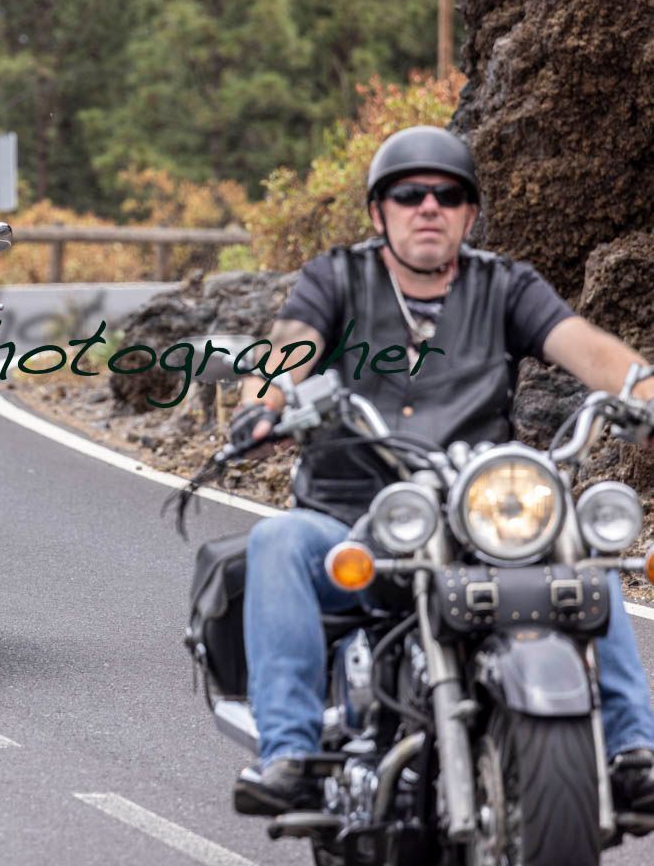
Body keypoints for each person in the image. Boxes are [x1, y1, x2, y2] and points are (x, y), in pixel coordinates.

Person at [227, 125, 654, 817]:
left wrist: (646, 392)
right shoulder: (336, 278)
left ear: (469, 213)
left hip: (476, 518)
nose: (428, 206)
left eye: (447, 194)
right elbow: (289, 350)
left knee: (581, 551)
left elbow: (592, 352)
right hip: (351, 517)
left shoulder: (506, 285)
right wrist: (261, 407)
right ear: (379, 212)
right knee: (276, 543)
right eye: (408, 193)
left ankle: (633, 751)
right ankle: (291, 754)